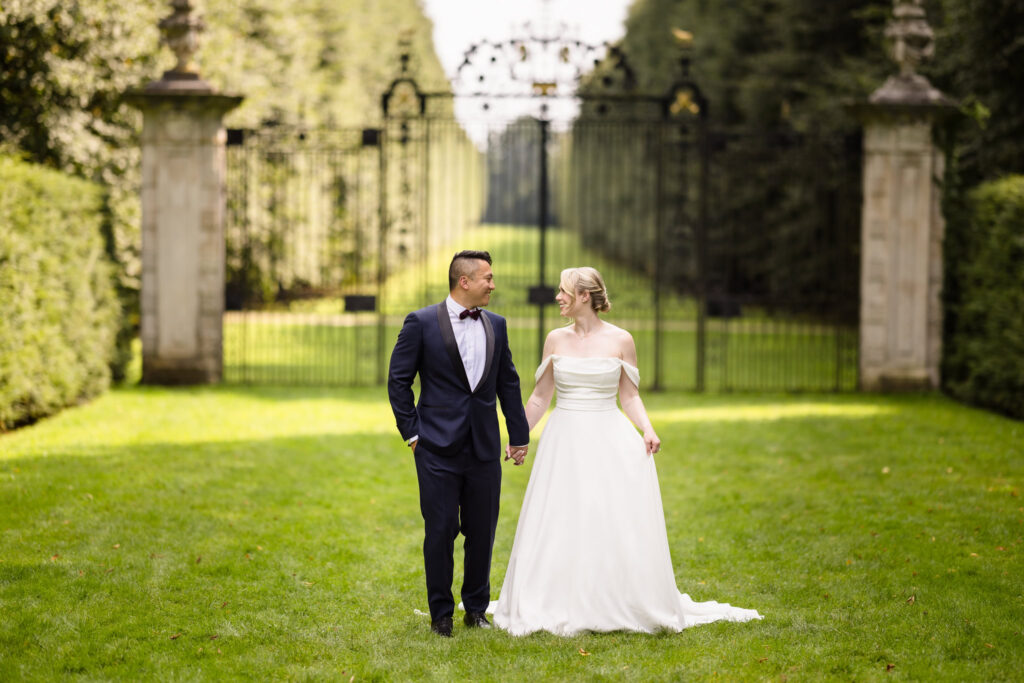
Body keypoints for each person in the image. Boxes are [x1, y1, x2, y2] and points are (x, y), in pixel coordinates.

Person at [490, 266, 763, 636]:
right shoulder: (555, 339)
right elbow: (540, 396)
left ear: (584, 296)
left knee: (606, 516)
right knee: (561, 516)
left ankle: (610, 595)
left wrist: (647, 429)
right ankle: (555, 595)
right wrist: (519, 436)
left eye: (563, 291)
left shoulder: (622, 340)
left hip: (608, 437)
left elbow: (629, 394)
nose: (557, 297)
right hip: (564, 439)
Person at [387, 250, 530, 638]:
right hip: (435, 447)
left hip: (483, 448)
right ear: (463, 281)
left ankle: (477, 609)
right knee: (441, 530)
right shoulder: (420, 323)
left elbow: (508, 383)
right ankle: (441, 615)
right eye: (488, 277)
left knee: (482, 532)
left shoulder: (497, 325)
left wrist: (518, 435)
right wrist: (413, 434)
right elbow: (398, 381)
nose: (493, 285)